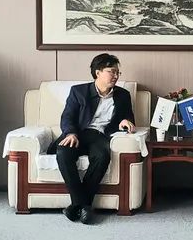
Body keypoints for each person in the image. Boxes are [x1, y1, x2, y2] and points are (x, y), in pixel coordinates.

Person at [49, 53, 135, 225]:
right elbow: (67, 117)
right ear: (98, 73)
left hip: (100, 136)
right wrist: (70, 133)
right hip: (78, 133)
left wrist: (125, 121)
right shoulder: (78, 91)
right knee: (63, 152)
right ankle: (83, 205)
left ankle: (76, 206)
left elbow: (129, 118)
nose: (116, 76)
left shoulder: (123, 95)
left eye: (118, 72)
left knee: (102, 156)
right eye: (111, 72)